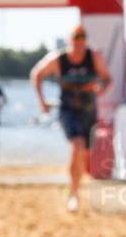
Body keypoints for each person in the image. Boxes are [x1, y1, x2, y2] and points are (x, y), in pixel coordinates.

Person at [30, 25, 112, 212]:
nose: (78, 48)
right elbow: (37, 74)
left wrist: (102, 88)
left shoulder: (94, 57)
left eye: (81, 44)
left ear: (85, 43)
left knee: (85, 153)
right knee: (77, 147)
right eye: (75, 44)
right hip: (67, 109)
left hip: (89, 110)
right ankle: (74, 195)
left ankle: (73, 188)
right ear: (70, 42)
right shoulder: (58, 59)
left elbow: (107, 78)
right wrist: (41, 101)